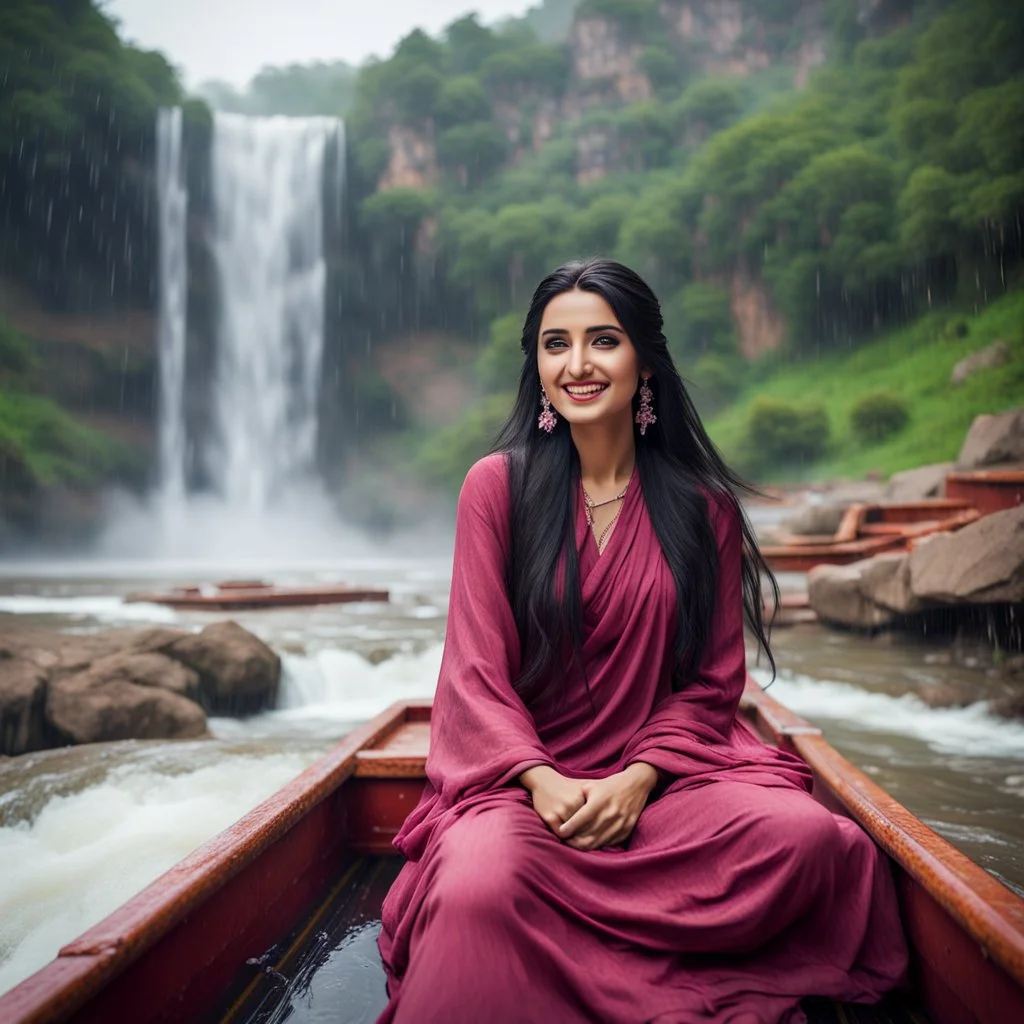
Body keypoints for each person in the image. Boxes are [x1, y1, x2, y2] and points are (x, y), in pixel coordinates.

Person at [376, 259, 908, 1023]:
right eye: (556, 344)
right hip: (522, 795)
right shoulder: (495, 487)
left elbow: (710, 685)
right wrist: (541, 781)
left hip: (663, 792)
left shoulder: (702, 508)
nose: (578, 364)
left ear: (645, 359)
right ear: (536, 364)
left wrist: (637, 779)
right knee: (476, 889)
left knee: (806, 840)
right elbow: (474, 677)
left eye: (603, 341)